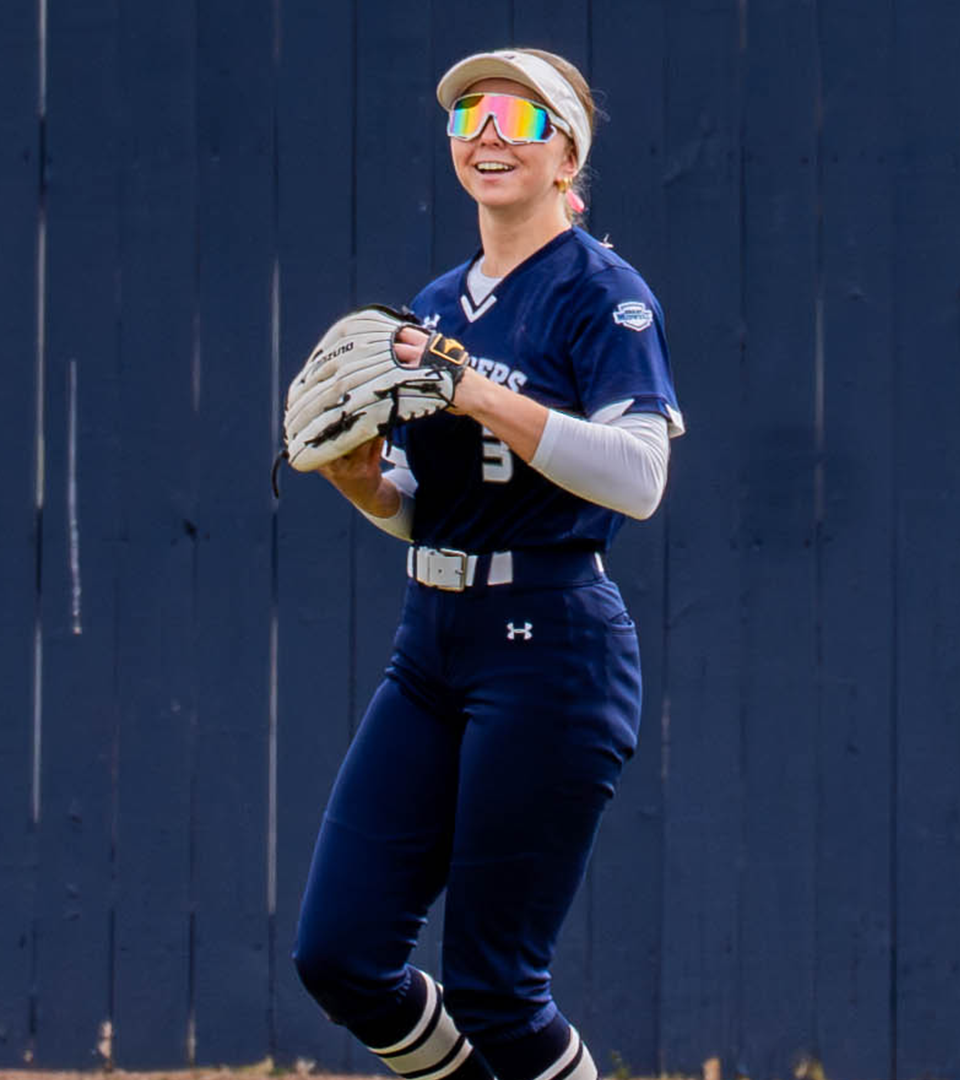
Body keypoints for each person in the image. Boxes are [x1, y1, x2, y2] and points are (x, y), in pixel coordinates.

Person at [289, 47, 685, 1080]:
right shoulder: (435, 303)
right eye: (467, 118)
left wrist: (473, 392)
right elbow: (425, 512)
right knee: (339, 957)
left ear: (567, 155)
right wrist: (359, 482)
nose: (489, 134)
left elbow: (640, 478)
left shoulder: (601, 293)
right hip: (432, 644)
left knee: (498, 993)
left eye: (516, 113)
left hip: (550, 647)